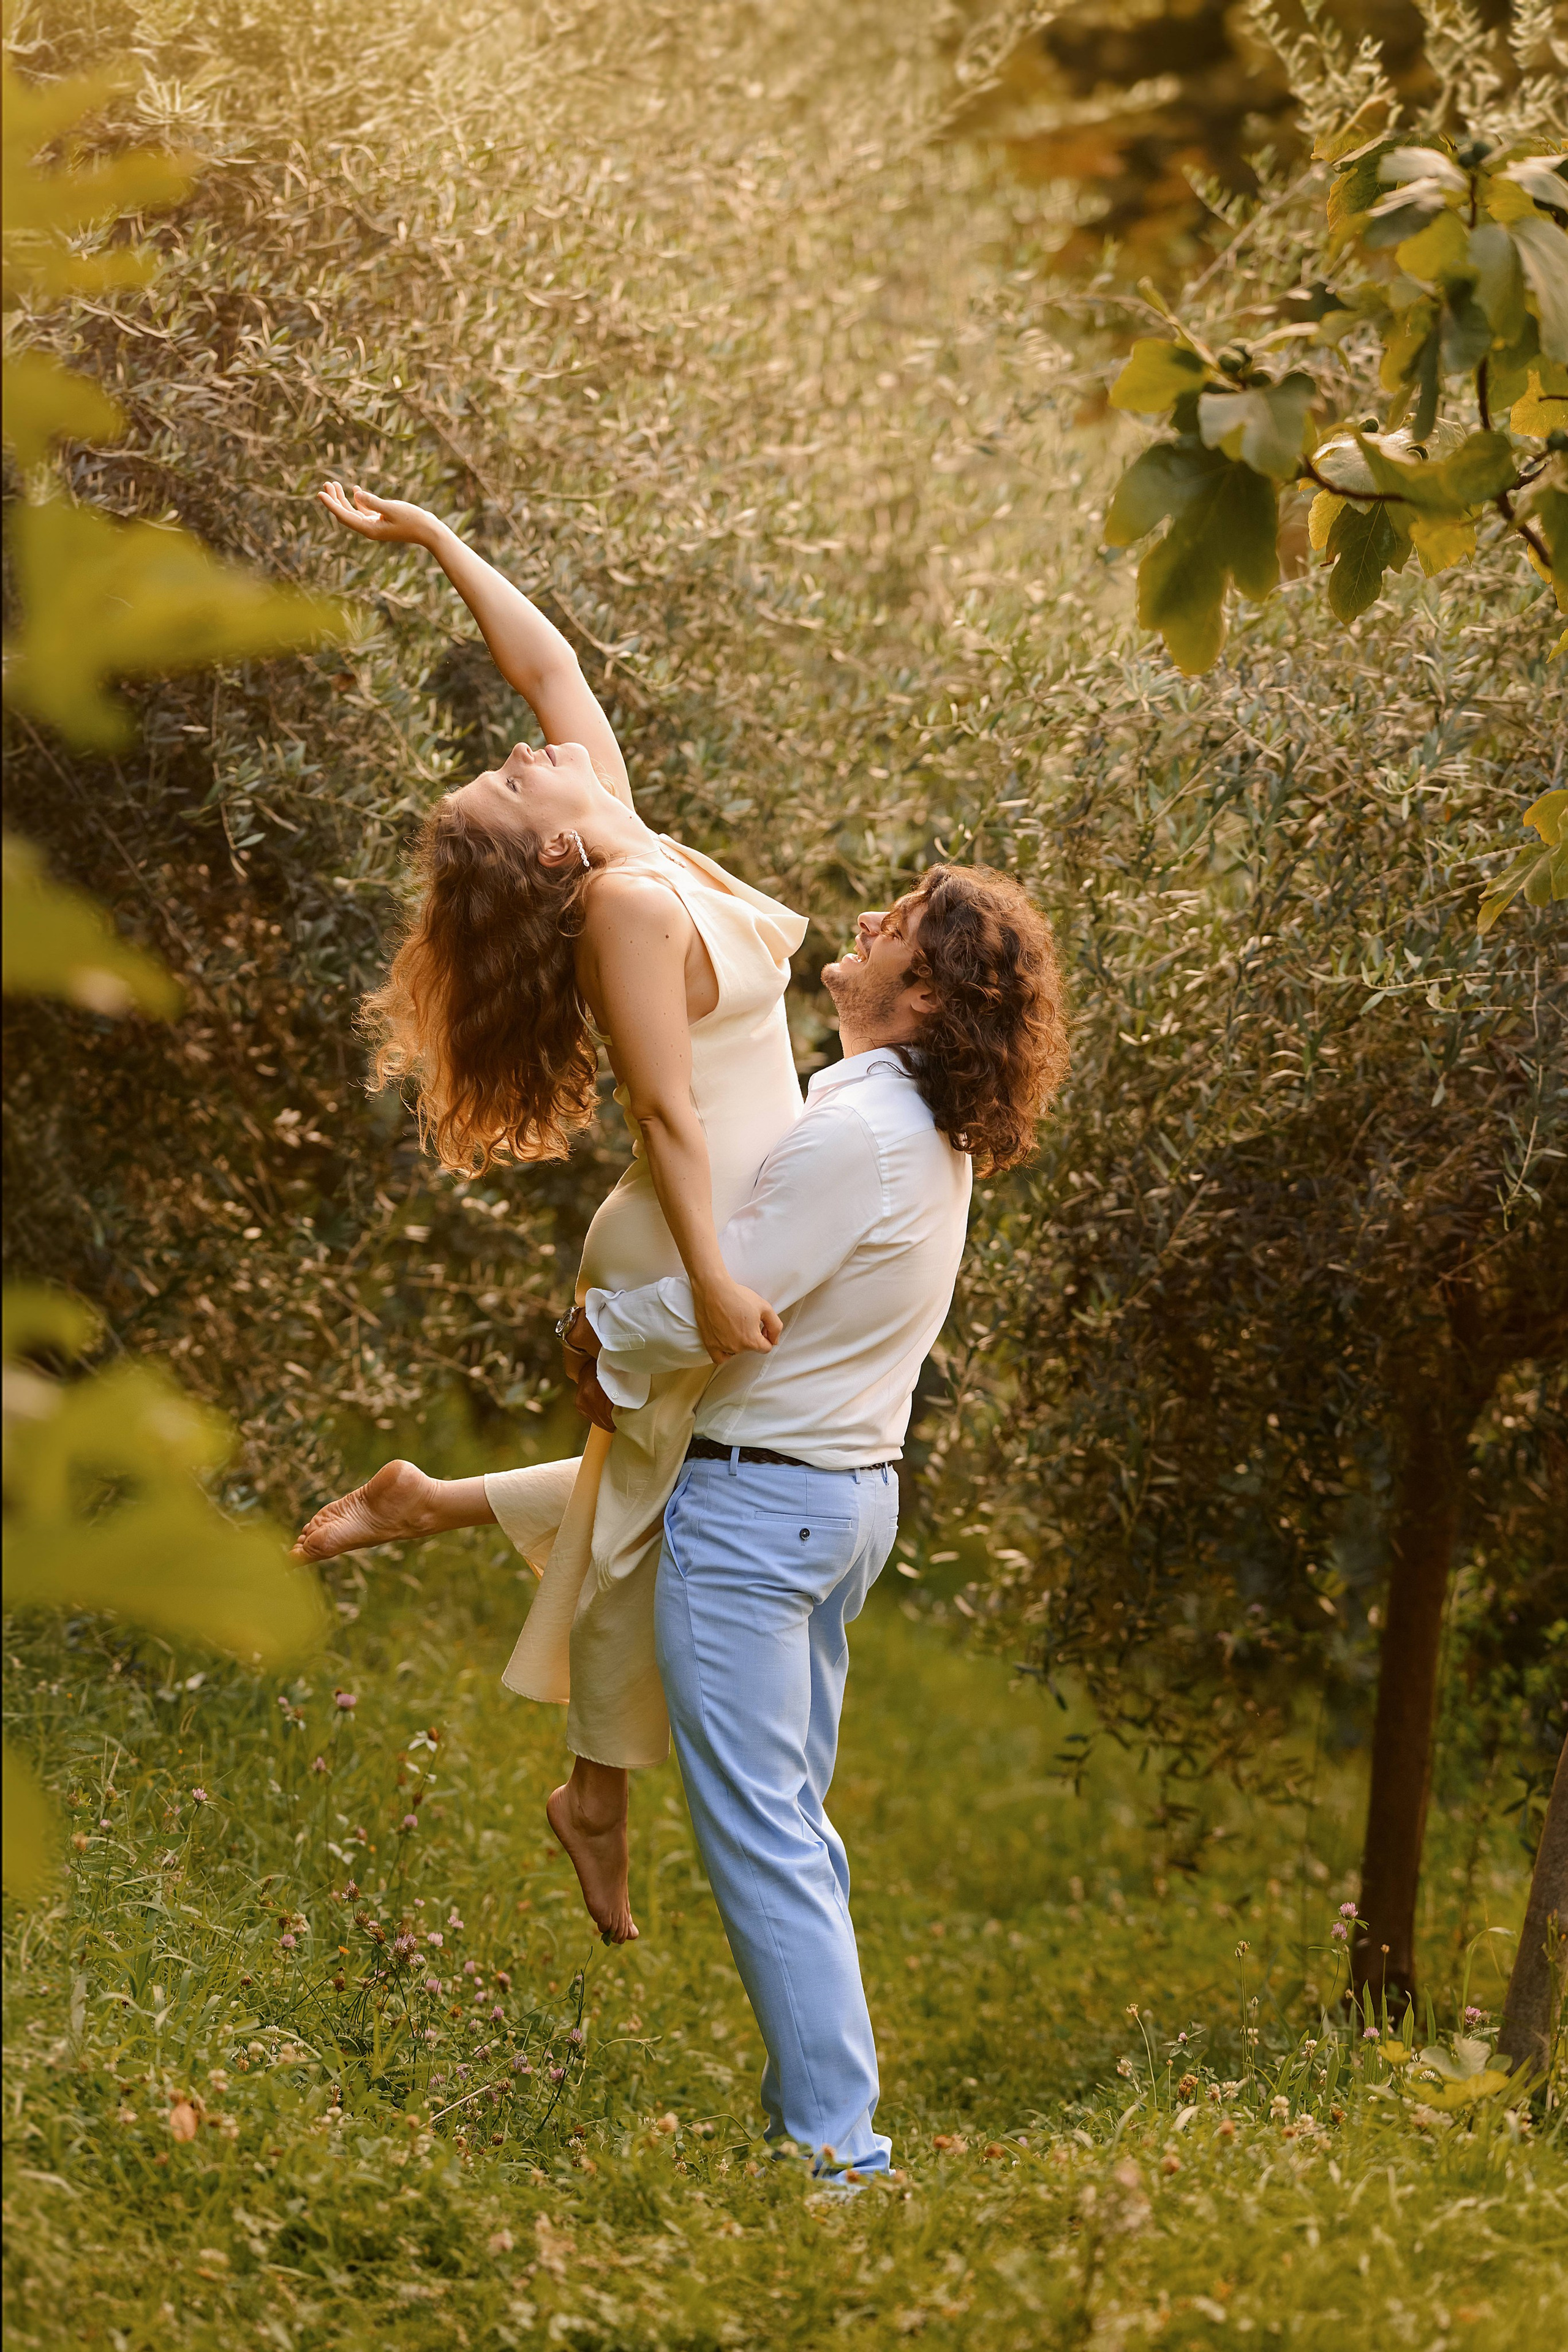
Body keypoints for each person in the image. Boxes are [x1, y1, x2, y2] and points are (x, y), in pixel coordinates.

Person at [294, 483, 804, 1945]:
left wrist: (443, 545)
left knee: (656, 1485)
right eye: (512, 787)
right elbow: (664, 1117)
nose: (526, 754)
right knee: (650, 1504)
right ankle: (592, 1792)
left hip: (739, 1229)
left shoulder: (626, 842)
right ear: (550, 855)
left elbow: (548, 671)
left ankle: (429, 1505)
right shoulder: (628, 912)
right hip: (685, 1235)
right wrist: (707, 1282)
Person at [569, 862, 1069, 2181]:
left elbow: (732, 1301)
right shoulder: (900, 1121)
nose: (863, 922)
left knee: (767, 1838)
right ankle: (827, 2125)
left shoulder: (860, 1132)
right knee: (793, 1825)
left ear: (926, 989)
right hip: (826, 1502)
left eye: (895, 925)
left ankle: (838, 2159)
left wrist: (593, 1334)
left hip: (762, 1506)